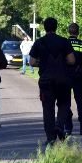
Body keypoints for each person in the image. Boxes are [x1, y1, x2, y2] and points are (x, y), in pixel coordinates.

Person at [29, 17, 75, 146]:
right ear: (56, 27)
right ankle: (60, 126)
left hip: (46, 80)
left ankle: (50, 137)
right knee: (64, 104)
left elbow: (31, 62)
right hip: (63, 79)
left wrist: (43, 62)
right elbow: (71, 60)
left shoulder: (39, 42)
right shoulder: (64, 41)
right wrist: (61, 62)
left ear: (44, 27)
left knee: (48, 109)